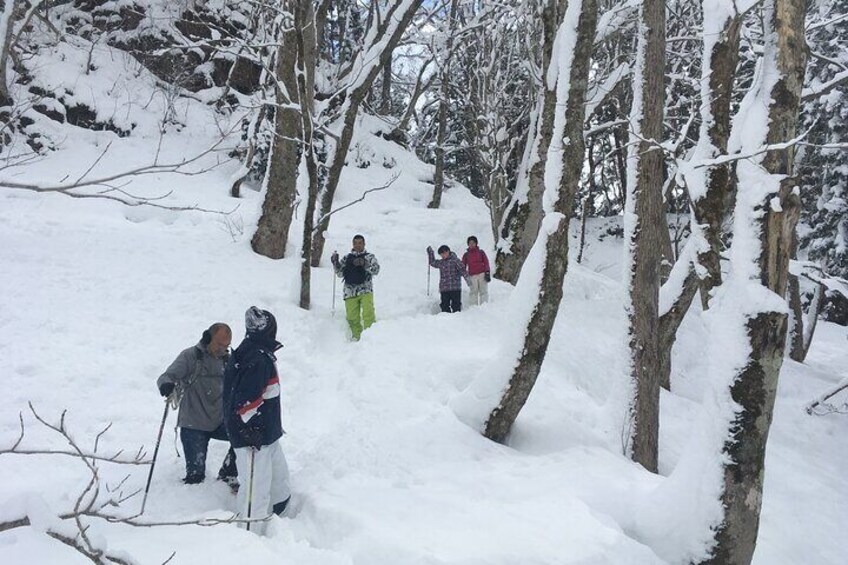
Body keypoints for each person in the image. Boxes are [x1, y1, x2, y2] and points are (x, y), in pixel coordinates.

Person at [224, 307, 292, 535]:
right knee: (256, 491)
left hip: (268, 434)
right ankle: (249, 538)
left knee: (279, 482)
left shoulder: (257, 352)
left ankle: (278, 521)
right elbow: (244, 403)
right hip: (254, 438)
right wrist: (249, 430)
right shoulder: (257, 358)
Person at [157, 323, 238, 487]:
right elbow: (166, 376)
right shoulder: (190, 356)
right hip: (193, 424)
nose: (222, 350)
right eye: (219, 344)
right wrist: (166, 385)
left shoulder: (228, 361)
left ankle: (228, 474)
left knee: (243, 437)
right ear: (208, 338)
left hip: (219, 421)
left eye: (226, 346)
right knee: (195, 478)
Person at [331, 234, 381, 341]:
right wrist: (335, 263)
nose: (358, 245)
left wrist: (365, 264)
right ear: (352, 244)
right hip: (349, 292)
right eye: (356, 243)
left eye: (360, 243)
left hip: (366, 290)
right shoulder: (347, 258)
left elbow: (376, 270)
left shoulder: (369, 257)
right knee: (352, 317)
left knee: (368, 314)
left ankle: (371, 337)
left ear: (364, 244)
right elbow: (340, 273)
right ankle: (356, 337)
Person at [427, 244, 468, 313]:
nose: (443, 255)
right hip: (444, 288)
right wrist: (431, 253)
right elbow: (432, 263)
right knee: (444, 305)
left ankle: (457, 319)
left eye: (445, 252)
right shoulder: (441, 262)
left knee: (456, 305)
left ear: (448, 251)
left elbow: (463, 270)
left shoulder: (455, 260)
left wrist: (468, 280)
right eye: (441, 254)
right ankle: (446, 319)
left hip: (455, 287)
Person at [462, 236, 491, 305]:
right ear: (468, 244)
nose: (471, 244)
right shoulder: (466, 254)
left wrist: (487, 272)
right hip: (472, 275)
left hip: (482, 274)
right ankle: (473, 307)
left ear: (476, 243)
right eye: (470, 243)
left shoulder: (481, 252)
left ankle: (484, 305)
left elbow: (486, 262)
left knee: (483, 291)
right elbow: (463, 265)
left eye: (473, 243)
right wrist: (464, 274)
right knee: (473, 291)